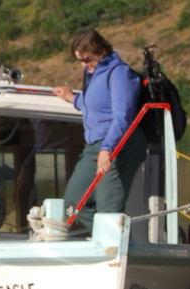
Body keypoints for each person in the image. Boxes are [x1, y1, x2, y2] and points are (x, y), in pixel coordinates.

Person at [51, 27, 146, 235]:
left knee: (108, 208)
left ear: (101, 51)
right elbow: (95, 104)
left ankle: (115, 245)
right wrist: (72, 98)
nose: (85, 65)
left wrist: (107, 148)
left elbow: (123, 116)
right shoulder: (93, 73)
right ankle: (108, 240)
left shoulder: (120, 73)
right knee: (73, 202)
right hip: (95, 146)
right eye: (80, 61)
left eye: (87, 59)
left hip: (118, 145)